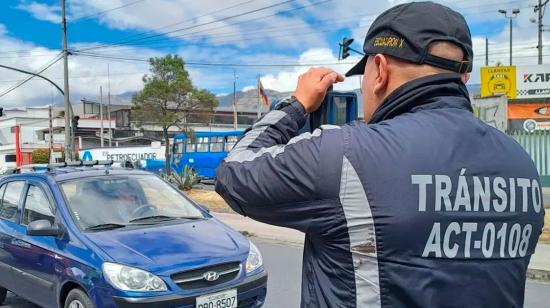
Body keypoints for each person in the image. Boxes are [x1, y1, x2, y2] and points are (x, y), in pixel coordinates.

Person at [215, 2, 545, 307]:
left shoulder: (347, 154)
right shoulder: (521, 164)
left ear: (381, 71)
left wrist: (297, 103)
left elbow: (234, 173)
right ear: (464, 76)